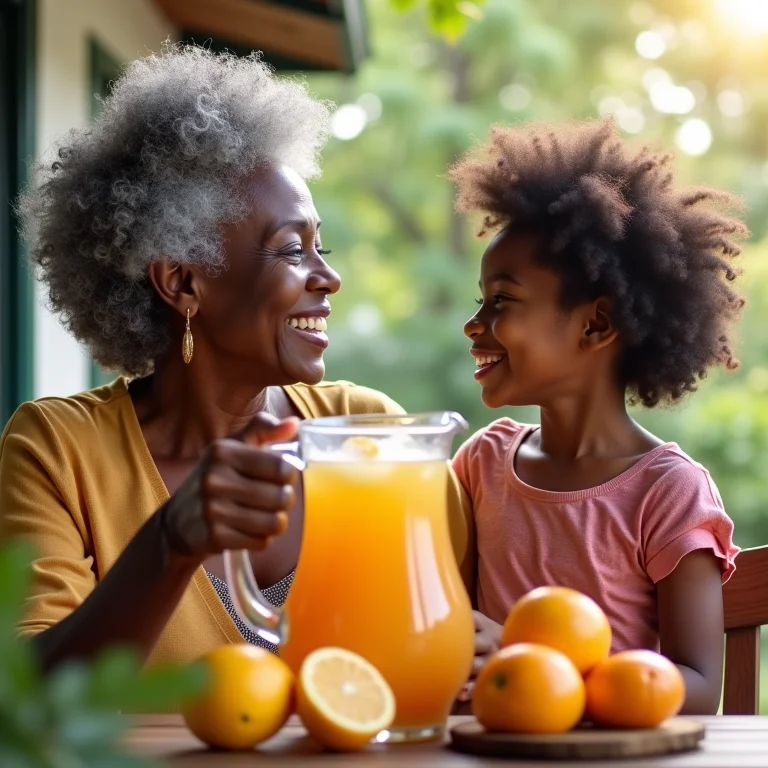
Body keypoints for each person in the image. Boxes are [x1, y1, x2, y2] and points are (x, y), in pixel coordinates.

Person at [0, 44, 474, 672]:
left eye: (320, 246)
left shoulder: (370, 433)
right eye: (290, 250)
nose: (328, 278)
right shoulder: (57, 449)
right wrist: (170, 542)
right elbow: (32, 693)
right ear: (183, 283)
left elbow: (446, 625)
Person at [448, 119, 744, 714]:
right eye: (480, 300)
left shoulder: (670, 492)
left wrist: (524, 659)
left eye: (501, 300)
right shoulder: (481, 464)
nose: (474, 324)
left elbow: (699, 687)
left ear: (596, 325)